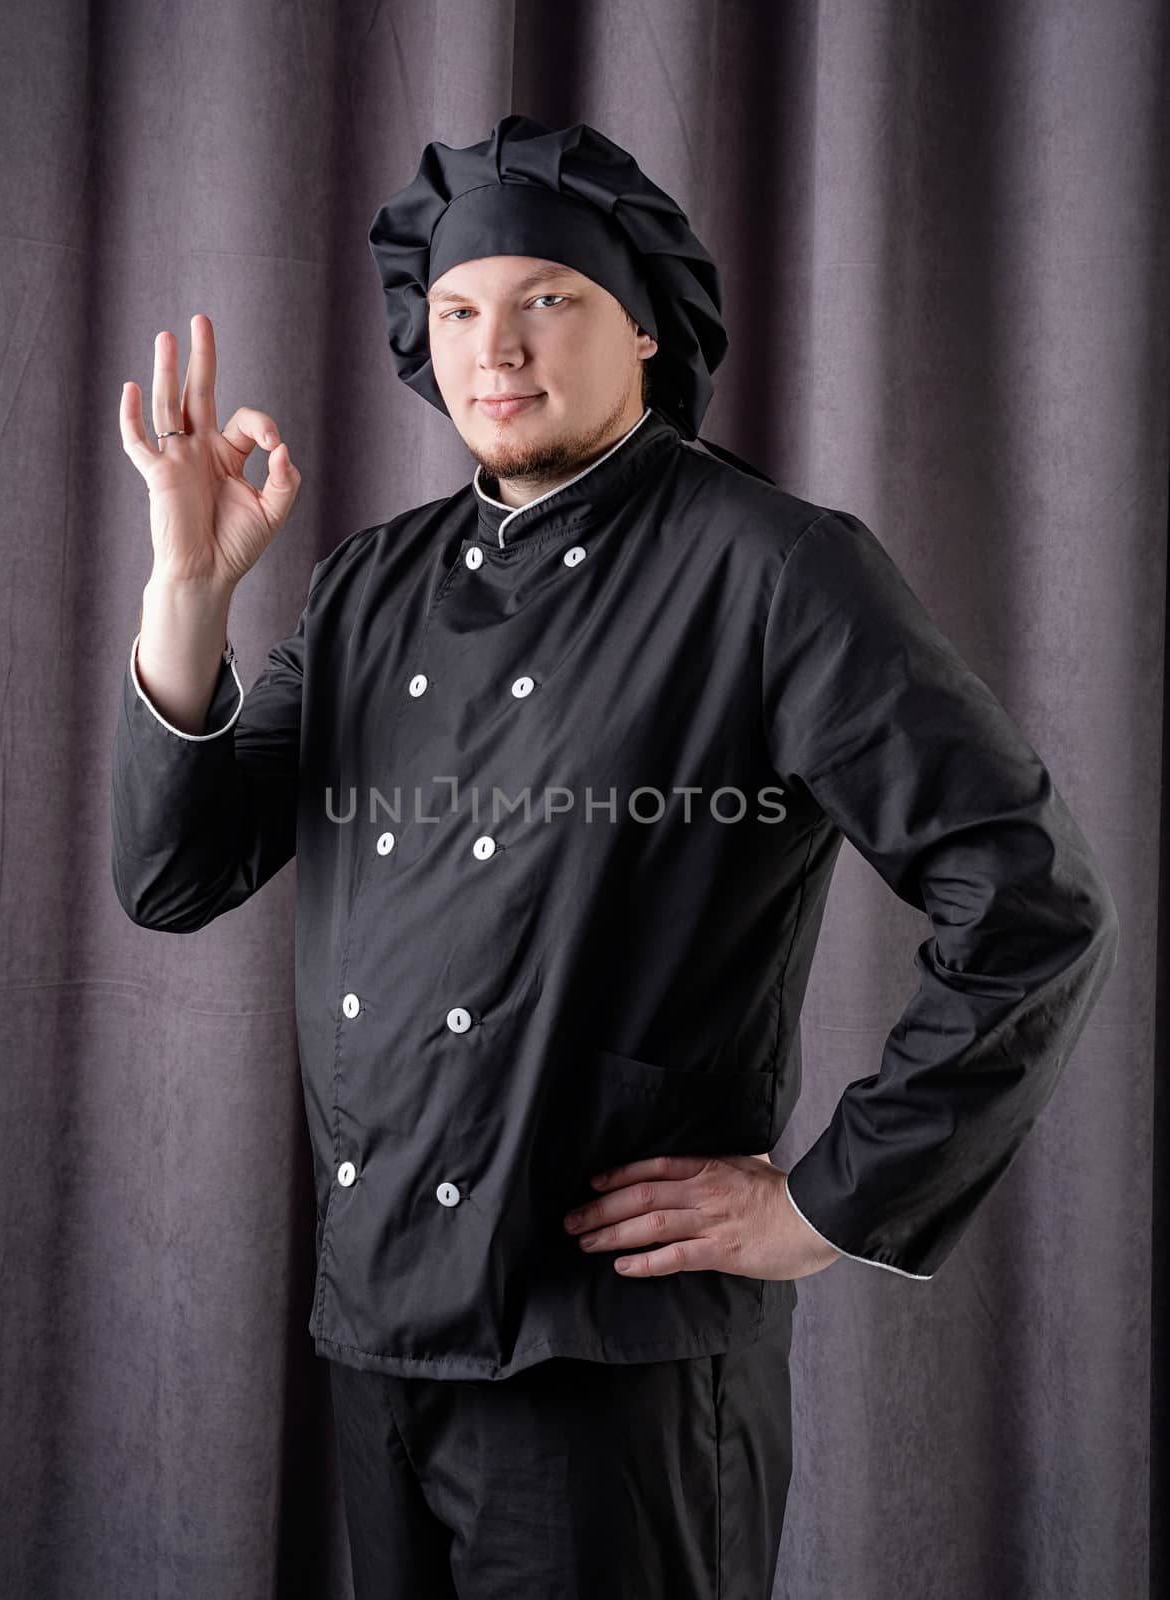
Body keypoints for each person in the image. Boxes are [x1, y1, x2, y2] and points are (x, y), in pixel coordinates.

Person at [112, 115, 1119, 1600]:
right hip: (378, 1328)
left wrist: (828, 1200)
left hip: (612, 1358)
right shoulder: (370, 583)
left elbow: (1032, 904)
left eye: (548, 301)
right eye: (459, 309)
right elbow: (174, 873)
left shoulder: (771, 566)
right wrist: (188, 588)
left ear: (641, 325)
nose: (494, 347)